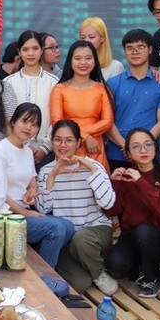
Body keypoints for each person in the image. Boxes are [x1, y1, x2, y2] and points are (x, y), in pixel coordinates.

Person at [36, 120, 118, 295]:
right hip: (68, 237)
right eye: (58, 140)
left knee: (82, 239)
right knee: (79, 285)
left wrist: (91, 169)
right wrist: (52, 176)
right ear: (51, 142)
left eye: (69, 140)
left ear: (79, 142)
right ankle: (90, 267)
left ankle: (98, 274)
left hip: (95, 230)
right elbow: (43, 209)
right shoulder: (46, 171)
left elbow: (108, 203)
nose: (63, 145)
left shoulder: (94, 166)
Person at [0, 104, 74, 267]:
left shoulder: (26, 151)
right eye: (25, 121)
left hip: (25, 211)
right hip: (6, 215)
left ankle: (35, 264)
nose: (29, 127)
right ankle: (46, 278)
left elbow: (32, 183)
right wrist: (25, 212)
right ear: (13, 121)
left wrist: (30, 194)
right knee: (56, 228)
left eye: (34, 124)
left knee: (68, 226)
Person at [104, 129, 160, 298]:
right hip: (131, 237)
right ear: (128, 152)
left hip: (157, 238)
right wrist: (114, 184)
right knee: (115, 266)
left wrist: (140, 181)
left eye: (148, 145)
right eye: (136, 147)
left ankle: (152, 279)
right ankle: (140, 269)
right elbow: (111, 212)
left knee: (144, 231)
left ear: (155, 147)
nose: (143, 150)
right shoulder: (126, 175)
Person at [105, 29, 160, 171]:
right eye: (130, 48)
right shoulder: (112, 83)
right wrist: (127, 146)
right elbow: (107, 121)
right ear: (124, 51)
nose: (135, 52)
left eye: (140, 47)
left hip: (149, 155)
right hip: (117, 153)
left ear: (150, 49)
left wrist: (142, 146)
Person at [50, 40, 114, 172]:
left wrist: (88, 137)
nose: (83, 63)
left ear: (95, 61)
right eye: (78, 58)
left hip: (95, 148)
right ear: (70, 61)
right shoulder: (59, 89)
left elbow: (108, 121)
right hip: (67, 147)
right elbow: (57, 121)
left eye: (88, 58)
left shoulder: (101, 89)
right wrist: (84, 136)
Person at [4, 30, 59, 164]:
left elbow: (57, 117)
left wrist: (45, 148)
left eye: (35, 48)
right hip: (14, 151)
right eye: (26, 49)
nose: (30, 53)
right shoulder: (8, 82)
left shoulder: (54, 82)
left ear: (41, 51)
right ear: (19, 52)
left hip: (45, 153)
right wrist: (18, 145)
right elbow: (6, 118)